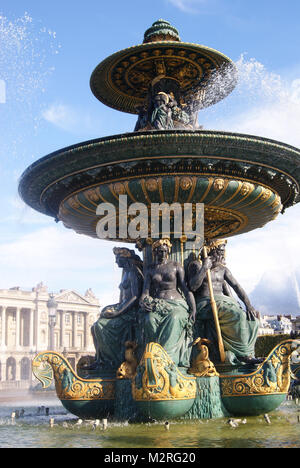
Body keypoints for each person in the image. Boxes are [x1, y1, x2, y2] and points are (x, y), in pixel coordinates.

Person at [188, 239, 260, 363]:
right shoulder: (196, 265)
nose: (222, 256)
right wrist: (204, 268)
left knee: (251, 319)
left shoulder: (223, 270)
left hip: (222, 302)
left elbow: (237, 287)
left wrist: (248, 306)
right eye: (219, 252)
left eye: (223, 253)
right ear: (211, 251)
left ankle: (247, 352)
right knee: (237, 315)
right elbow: (193, 286)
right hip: (205, 303)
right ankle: (243, 355)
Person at [139, 238, 196, 367]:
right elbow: (145, 292)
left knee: (174, 318)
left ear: (168, 251)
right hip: (158, 304)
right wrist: (142, 302)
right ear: (155, 252)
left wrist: (193, 308)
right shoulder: (150, 269)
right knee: (149, 319)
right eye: (159, 251)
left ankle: (168, 358)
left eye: (164, 251)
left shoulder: (176, 266)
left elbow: (186, 290)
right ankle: (154, 355)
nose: (162, 254)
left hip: (176, 303)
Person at [89, 247, 143, 372]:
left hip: (130, 312)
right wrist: (113, 308)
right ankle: (100, 360)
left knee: (101, 326)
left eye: (118, 258)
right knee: (94, 327)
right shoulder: (126, 272)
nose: (116, 262)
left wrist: (117, 312)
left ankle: (109, 362)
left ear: (125, 258)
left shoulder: (133, 272)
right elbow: (124, 297)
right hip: (123, 307)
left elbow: (135, 297)